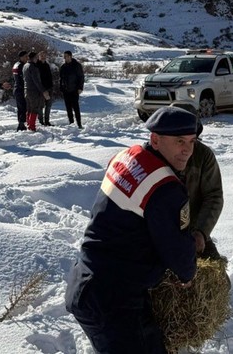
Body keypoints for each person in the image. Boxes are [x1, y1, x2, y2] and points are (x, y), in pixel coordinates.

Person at [65, 106, 198, 353]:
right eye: (179, 141)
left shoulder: (128, 156)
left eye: (192, 141)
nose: (188, 150)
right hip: (113, 300)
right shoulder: (165, 187)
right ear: (155, 140)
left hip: (87, 280)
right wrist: (188, 274)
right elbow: (177, 248)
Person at [170, 102, 224, 259]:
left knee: (217, 277)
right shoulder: (154, 153)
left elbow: (213, 196)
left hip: (190, 229)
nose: (185, 146)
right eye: (179, 137)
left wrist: (201, 231)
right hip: (155, 231)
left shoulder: (204, 155)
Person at [22, 52, 50, 132]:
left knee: (29, 108)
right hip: (33, 91)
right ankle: (32, 126)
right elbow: (37, 81)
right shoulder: (33, 67)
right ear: (34, 58)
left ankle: (29, 124)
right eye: (37, 57)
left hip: (26, 89)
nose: (37, 59)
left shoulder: (25, 65)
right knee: (34, 108)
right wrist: (43, 90)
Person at [59, 50, 85, 129]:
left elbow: (81, 77)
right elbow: (61, 78)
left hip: (74, 90)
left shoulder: (77, 65)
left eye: (66, 56)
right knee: (68, 108)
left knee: (76, 108)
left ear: (70, 56)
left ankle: (79, 124)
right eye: (64, 56)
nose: (65, 58)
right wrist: (61, 88)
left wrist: (80, 87)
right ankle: (71, 123)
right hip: (66, 90)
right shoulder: (63, 67)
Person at [11, 50, 29, 131]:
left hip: (17, 88)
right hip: (20, 89)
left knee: (20, 108)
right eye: (25, 56)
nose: (27, 58)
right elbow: (22, 79)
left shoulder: (16, 64)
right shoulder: (21, 66)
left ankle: (21, 124)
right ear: (21, 57)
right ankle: (21, 125)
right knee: (23, 108)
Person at [36, 51, 54, 126]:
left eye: (44, 55)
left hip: (49, 88)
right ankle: (41, 121)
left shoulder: (47, 65)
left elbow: (50, 77)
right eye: (41, 56)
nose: (43, 57)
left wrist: (51, 86)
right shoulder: (37, 65)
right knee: (40, 106)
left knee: (48, 105)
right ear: (39, 57)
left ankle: (47, 121)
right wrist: (42, 89)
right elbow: (37, 79)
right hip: (41, 89)